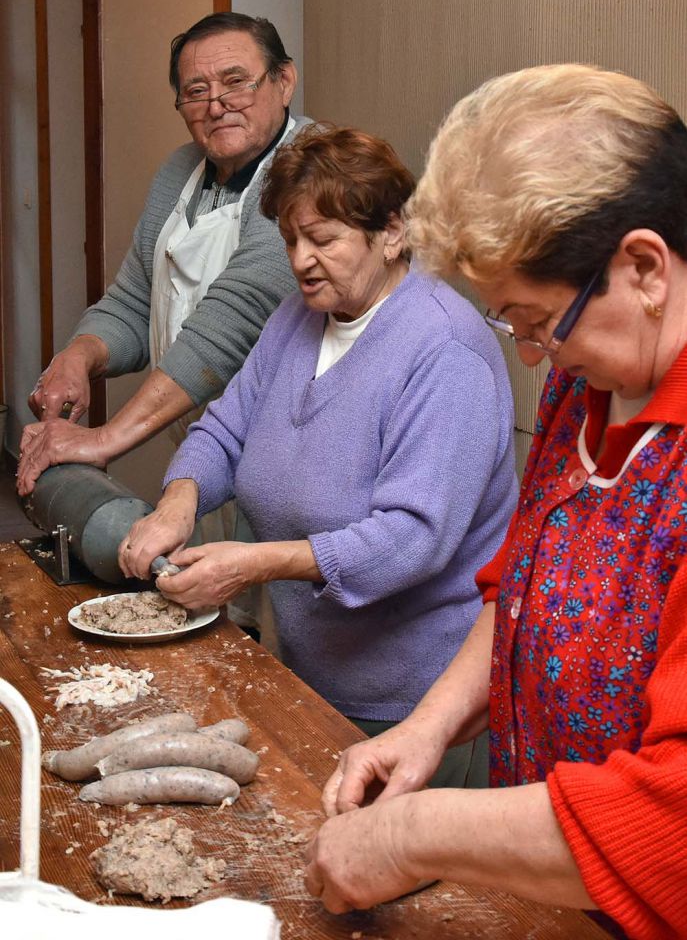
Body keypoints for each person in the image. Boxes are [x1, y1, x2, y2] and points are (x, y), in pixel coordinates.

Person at [303, 65, 687, 940]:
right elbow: (524, 589)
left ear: (642, 268)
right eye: (508, 322)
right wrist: (427, 728)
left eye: (537, 319)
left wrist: (410, 834)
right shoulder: (586, 383)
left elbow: (670, 826)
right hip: (551, 898)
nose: (530, 356)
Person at [118, 125, 518, 786]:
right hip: (310, 672)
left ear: (392, 232)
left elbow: (411, 539)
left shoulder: (446, 349)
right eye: (290, 240)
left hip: (415, 704)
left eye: (323, 239)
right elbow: (225, 430)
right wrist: (177, 502)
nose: (301, 260)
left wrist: (257, 564)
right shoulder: (296, 319)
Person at [16, 11, 310, 496]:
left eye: (236, 82)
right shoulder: (181, 170)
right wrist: (78, 356)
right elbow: (136, 300)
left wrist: (105, 439)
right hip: (201, 448)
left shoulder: (309, 166)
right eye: (196, 91)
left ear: (284, 81)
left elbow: (231, 323)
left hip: (285, 460)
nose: (216, 105)